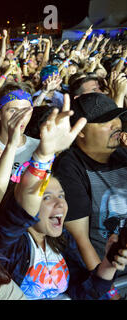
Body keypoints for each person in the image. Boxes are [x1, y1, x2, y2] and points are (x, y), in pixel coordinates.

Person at [0, 97, 127, 299]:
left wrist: (108, 264)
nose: (60, 203)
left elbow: (85, 292)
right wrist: (43, 157)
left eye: (61, 195)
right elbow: (17, 214)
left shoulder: (61, 243)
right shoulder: (9, 243)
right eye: (47, 197)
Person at [52, 93, 127, 273]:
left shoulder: (122, 154)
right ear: (81, 131)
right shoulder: (69, 167)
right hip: (110, 274)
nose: (116, 125)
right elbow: (82, 242)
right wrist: (104, 288)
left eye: (117, 118)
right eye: (104, 122)